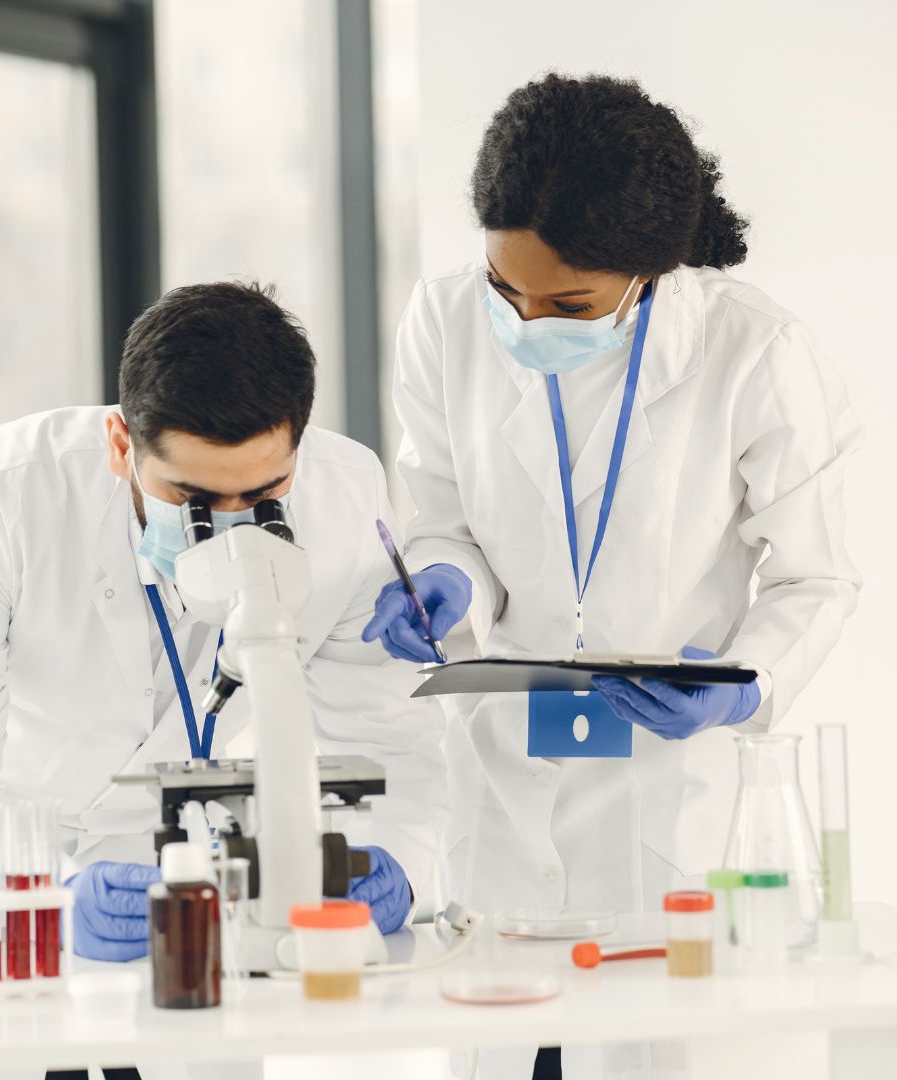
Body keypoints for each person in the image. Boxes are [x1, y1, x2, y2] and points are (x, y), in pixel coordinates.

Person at [363, 74, 861, 1080]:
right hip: (503, 783)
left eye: (567, 302)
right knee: (508, 1051)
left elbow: (816, 579)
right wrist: (442, 580)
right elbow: (442, 512)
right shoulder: (444, 320)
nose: (525, 318)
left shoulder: (754, 352)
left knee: (647, 1052)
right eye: (508, 290)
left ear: (649, 270)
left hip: (663, 800)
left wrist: (736, 691)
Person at [0, 282, 445, 977]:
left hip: (171, 856)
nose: (228, 523)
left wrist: (401, 862)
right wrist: (46, 893)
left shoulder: (344, 500)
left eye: (262, 497)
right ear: (120, 444)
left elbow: (392, 747)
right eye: (192, 499)